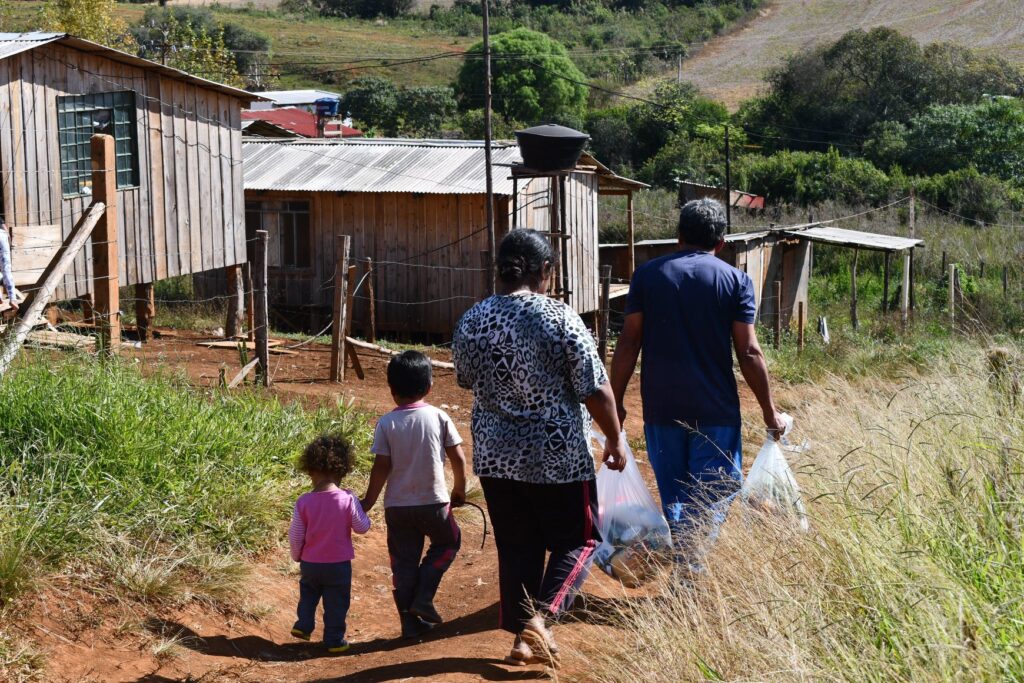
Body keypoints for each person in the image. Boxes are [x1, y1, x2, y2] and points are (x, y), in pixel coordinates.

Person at [453, 229, 627, 667]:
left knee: (518, 547)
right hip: (557, 455)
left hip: (496, 455)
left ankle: (523, 641)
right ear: (545, 271)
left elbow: (466, 379)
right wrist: (614, 437)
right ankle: (543, 619)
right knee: (580, 540)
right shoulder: (560, 317)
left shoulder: (472, 320)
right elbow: (596, 389)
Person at [610, 198, 784, 573]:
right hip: (716, 412)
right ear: (721, 242)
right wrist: (770, 412)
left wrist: (616, 402)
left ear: (678, 237)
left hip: (661, 409)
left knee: (676, 496)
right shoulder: (735, 281)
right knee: (712, 494)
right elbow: (749, 352)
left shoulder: (648, 276)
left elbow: (628, 342)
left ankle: (686, 571)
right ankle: (690, 574)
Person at [360, 350, 468, 639]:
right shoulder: (439, 416)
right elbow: (458, 458)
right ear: (430, 386)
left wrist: (368, 502)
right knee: (448, 542)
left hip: (397, 508)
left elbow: (381, 466)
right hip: (434, 502)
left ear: (392, 390)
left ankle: (409, 623)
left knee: (403, 563)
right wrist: (459, 489)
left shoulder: (386, 423)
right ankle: (424, 594)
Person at [288, 435, 370, 654]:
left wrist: (297, 556)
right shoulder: (347, 498)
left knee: (309, 594)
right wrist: (364, 513)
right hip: (338, 564)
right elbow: (361, 527)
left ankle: (303, 626)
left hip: (310, 563)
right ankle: (334, 640)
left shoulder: (303, 501)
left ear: (310, 470)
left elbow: (296, 535)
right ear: (341, 471)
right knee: (337, 602)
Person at [0, 219, 18, 313]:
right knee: (6, 269)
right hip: (2, 236)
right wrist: (9, 243)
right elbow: (5, 229)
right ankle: (13, 299)